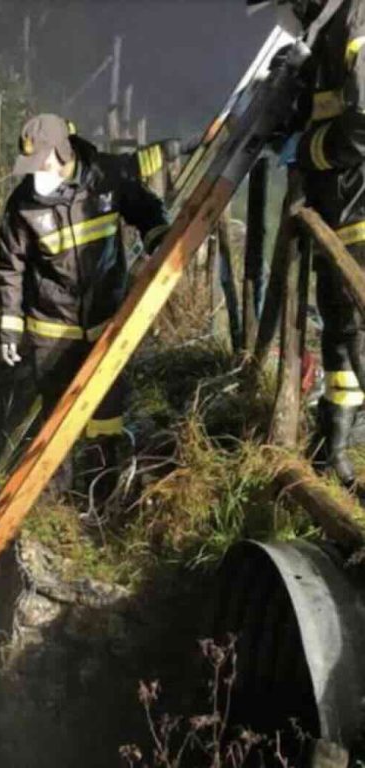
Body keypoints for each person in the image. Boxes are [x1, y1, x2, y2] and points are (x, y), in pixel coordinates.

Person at [0, 114, 169, 500]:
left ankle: (101, 492)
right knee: (56, 417)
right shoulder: (22, 204)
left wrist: (161, 239)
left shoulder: (105, 177)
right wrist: (10, 327)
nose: (34, 172)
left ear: (63, 152)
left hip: (106, 319)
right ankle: (55, 502)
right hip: (52, 327)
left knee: (107, 413)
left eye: (41, 161)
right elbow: (10, 267)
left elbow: (146, 209)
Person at [249, 0, 365, 498]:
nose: (290, 9)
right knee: (340, 332)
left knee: (358, 330)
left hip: (359, 203)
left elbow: (361, 124)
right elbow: (324, 108)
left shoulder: (356, 20)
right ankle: (334, 450)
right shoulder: (327, 32)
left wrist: (311, 153)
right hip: (340, 208)